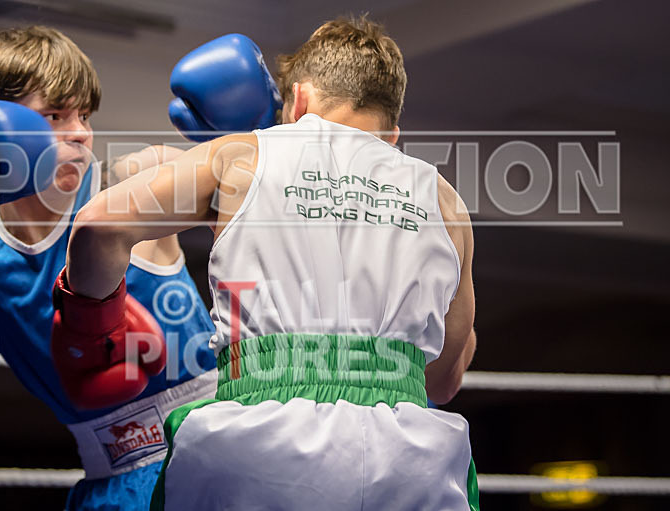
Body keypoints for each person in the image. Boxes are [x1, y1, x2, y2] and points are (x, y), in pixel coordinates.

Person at [56, 16, 479, 511]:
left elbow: (99, 226)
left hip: (259, 444)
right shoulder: (446, 202)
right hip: (414, 465)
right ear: (393, 135)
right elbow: (443, 383)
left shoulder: (244, 154)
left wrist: (89, 331)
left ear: (296, 101)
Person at [0, 26, 220, 511]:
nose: (81, 132)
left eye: (83, 114)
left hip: (226, 456)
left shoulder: (128, 183)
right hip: (117, 485)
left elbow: (249, 204)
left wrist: (253, 143)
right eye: (54, 115)